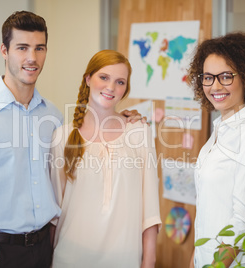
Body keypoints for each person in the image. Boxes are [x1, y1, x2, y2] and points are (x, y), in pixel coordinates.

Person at [0, 11, 143, 268]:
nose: (32, 58)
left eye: (39, 48)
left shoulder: (52, 116)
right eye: (22, 48)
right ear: (4, 50)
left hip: (44, 249)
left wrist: (122, 118)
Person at [49, 49, 161, 268]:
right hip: (70, 258)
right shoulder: (62, 136)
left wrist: (149, 261)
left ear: (125, 89)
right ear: (88, 79)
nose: (111, 87)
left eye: (120, 82)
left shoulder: (139, 132)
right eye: (104, 77)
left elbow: (150, 210)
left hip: (124, 260)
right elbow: (54, 213)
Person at [187, 32, 245, 267]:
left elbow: (244, 223)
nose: (215, 85)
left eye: (226, 76)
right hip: (207, 257)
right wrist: (195, 258)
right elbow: (210, 209)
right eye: (208, 77)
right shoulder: (222, 128)